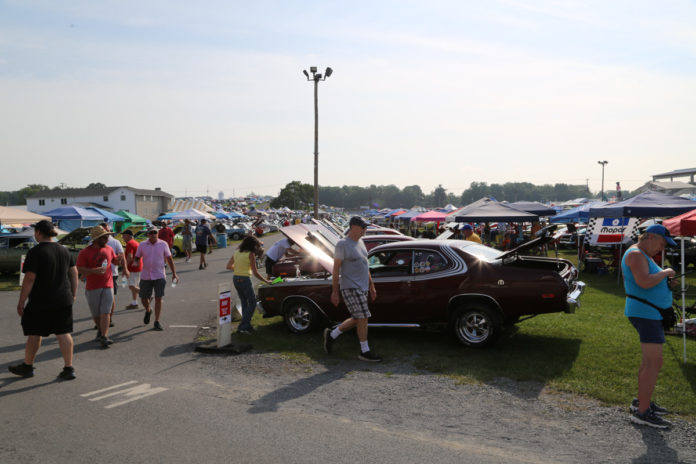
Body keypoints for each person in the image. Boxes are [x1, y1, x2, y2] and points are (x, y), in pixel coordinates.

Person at [622, 224, 677, 429]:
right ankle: (642, 412)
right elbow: (644, 282)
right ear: (651, 237)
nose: (661, 249)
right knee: (654, 363)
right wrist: (664, 273)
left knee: (650, 362)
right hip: (645, 313)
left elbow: (647, 282)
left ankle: (641, 402)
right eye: (661, 244)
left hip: (649, 312)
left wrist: (665, 282)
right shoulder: (636, 254)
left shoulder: (641, 255)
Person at [9, 220, 78, 380]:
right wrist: (73, 294)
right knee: (63, 333)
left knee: (34, 332)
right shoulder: (64, 250)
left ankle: (27, 366)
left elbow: (30, 278)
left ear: (39, 232)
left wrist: (21, 301)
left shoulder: (36, 251)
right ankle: (69, 368)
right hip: (63, 298)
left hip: (41, 300)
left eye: (35, 232)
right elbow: (74, 273)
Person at [323, 216, 381, 362]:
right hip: (350, 286)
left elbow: (365, 265)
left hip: (362, 287)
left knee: (357, 317)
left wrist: (372, 285)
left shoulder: (361, 242)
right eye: (363, 227)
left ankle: (332, 334)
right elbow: (336, 269)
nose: (365, 230)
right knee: (363, 317)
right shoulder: (342, 244)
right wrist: (335, 291)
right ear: (354, 227)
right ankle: (364, 351)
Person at [76, 226, 123, 347]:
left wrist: (120, 259)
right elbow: (79, 268)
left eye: (107, 236)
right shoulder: (84, 252)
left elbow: (115, 262)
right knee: (96, 314)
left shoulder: (109, 249)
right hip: (92, 287)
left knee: (105, 312)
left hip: (108, 284)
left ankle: (104, 336)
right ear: (97, 239)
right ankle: (100, 329)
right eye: (105, 237)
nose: (107, 239)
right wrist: (94, 271)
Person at [135, 227, 178, 331]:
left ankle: (157, 321)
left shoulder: (163, 244)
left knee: (159, 298)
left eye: (155, 233)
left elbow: (169, 259)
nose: (153, 235)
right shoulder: (142, 245)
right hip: (145, 276)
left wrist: (174, 274)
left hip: (159, 275)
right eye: (151, 233)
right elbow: (137, 257)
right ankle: (148, 310)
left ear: (157, 234)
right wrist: (135, 262)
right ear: (148, 234)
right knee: (143, 298)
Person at [226, 236, 270, 334]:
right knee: (253, 302)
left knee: (244, 302)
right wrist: (266, 281)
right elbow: (255, 272)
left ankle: (246, 325)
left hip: (236, 278)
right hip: (245, 279)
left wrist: (238, 268)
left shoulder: (237, 252)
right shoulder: (250, 254)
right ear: (252, 245)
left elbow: (228, 266)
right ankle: (243, 326)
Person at [100, 223, 127, 327]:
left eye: (105, 229)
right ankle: (100, 320)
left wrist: (125, 269)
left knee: (110, 298)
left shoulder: (115, 242)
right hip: (98, 275)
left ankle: (109, 318)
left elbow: (122, 256)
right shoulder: (94, 242)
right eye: (102, 229)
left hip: (112, 273)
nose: (104, 231)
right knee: (99, 299)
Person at [122, 229, 142, 309]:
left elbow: (130, 257)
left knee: (131, 286)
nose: (123, 237)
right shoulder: (136, 242)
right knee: (135, 285)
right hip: (138, 266)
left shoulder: (130, 244)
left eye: (124, 235)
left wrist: (125, 267)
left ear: (128, 236)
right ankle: (134, 303)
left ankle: (146, 296)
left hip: (133, 267)